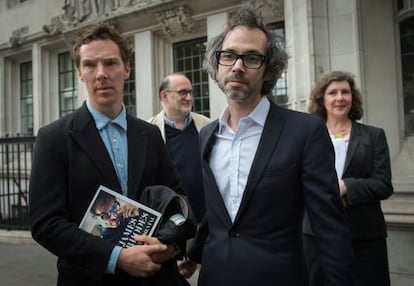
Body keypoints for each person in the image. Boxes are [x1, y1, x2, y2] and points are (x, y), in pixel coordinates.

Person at [179, 7, 356, 286]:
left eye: (251, 57)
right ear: (218, 64)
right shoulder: (207, 135)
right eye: (229, 55)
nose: (237, 66)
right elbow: (218, 214)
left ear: (268, 69)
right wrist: (193, 256)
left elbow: (330, 228)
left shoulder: (305, 132)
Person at [29, 22, 194, 285]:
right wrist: (117, 257)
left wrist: (170, 244)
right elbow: (46, 224)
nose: (101, 73)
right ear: (80, 73)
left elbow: (178, 199)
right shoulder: (54, 138)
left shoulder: (149, 134)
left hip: (158, 276)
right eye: (90, 65)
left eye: (110, 63)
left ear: (127, 69)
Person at [304, 70, 393, 286]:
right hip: (316, 234)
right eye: (332, 92)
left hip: (364, 236)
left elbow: (383, 184)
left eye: (345, 92)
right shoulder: (307, 136)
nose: (340, 98)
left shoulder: (374, 136)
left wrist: (346, 186)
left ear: (353, 98)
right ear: (321, 99)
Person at [147, 73, 210, 223]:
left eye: (190, 92)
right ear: (164, 96)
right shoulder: (148, 131)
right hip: (172, 224)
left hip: (208, 221)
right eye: (182, 92)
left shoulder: (207, 126)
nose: (189, 98)